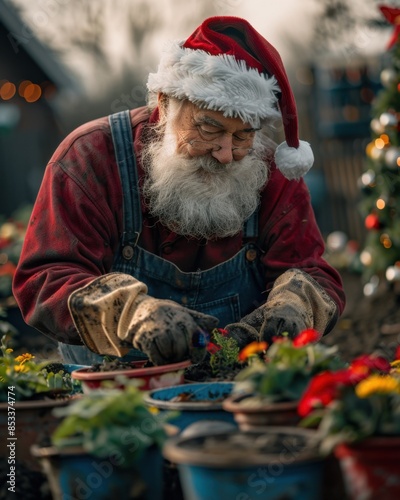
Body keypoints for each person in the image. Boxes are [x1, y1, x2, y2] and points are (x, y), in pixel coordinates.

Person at [12, 16, 345, 366]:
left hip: (240, 396)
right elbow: (45, 279)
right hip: (109, 397)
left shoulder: (272, 173)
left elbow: (312, 272)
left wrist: (296, 302)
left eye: (243, 135)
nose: (226, 153)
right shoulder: (90, 159)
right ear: (165, 103)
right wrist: (130, 314)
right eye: (208, 128)